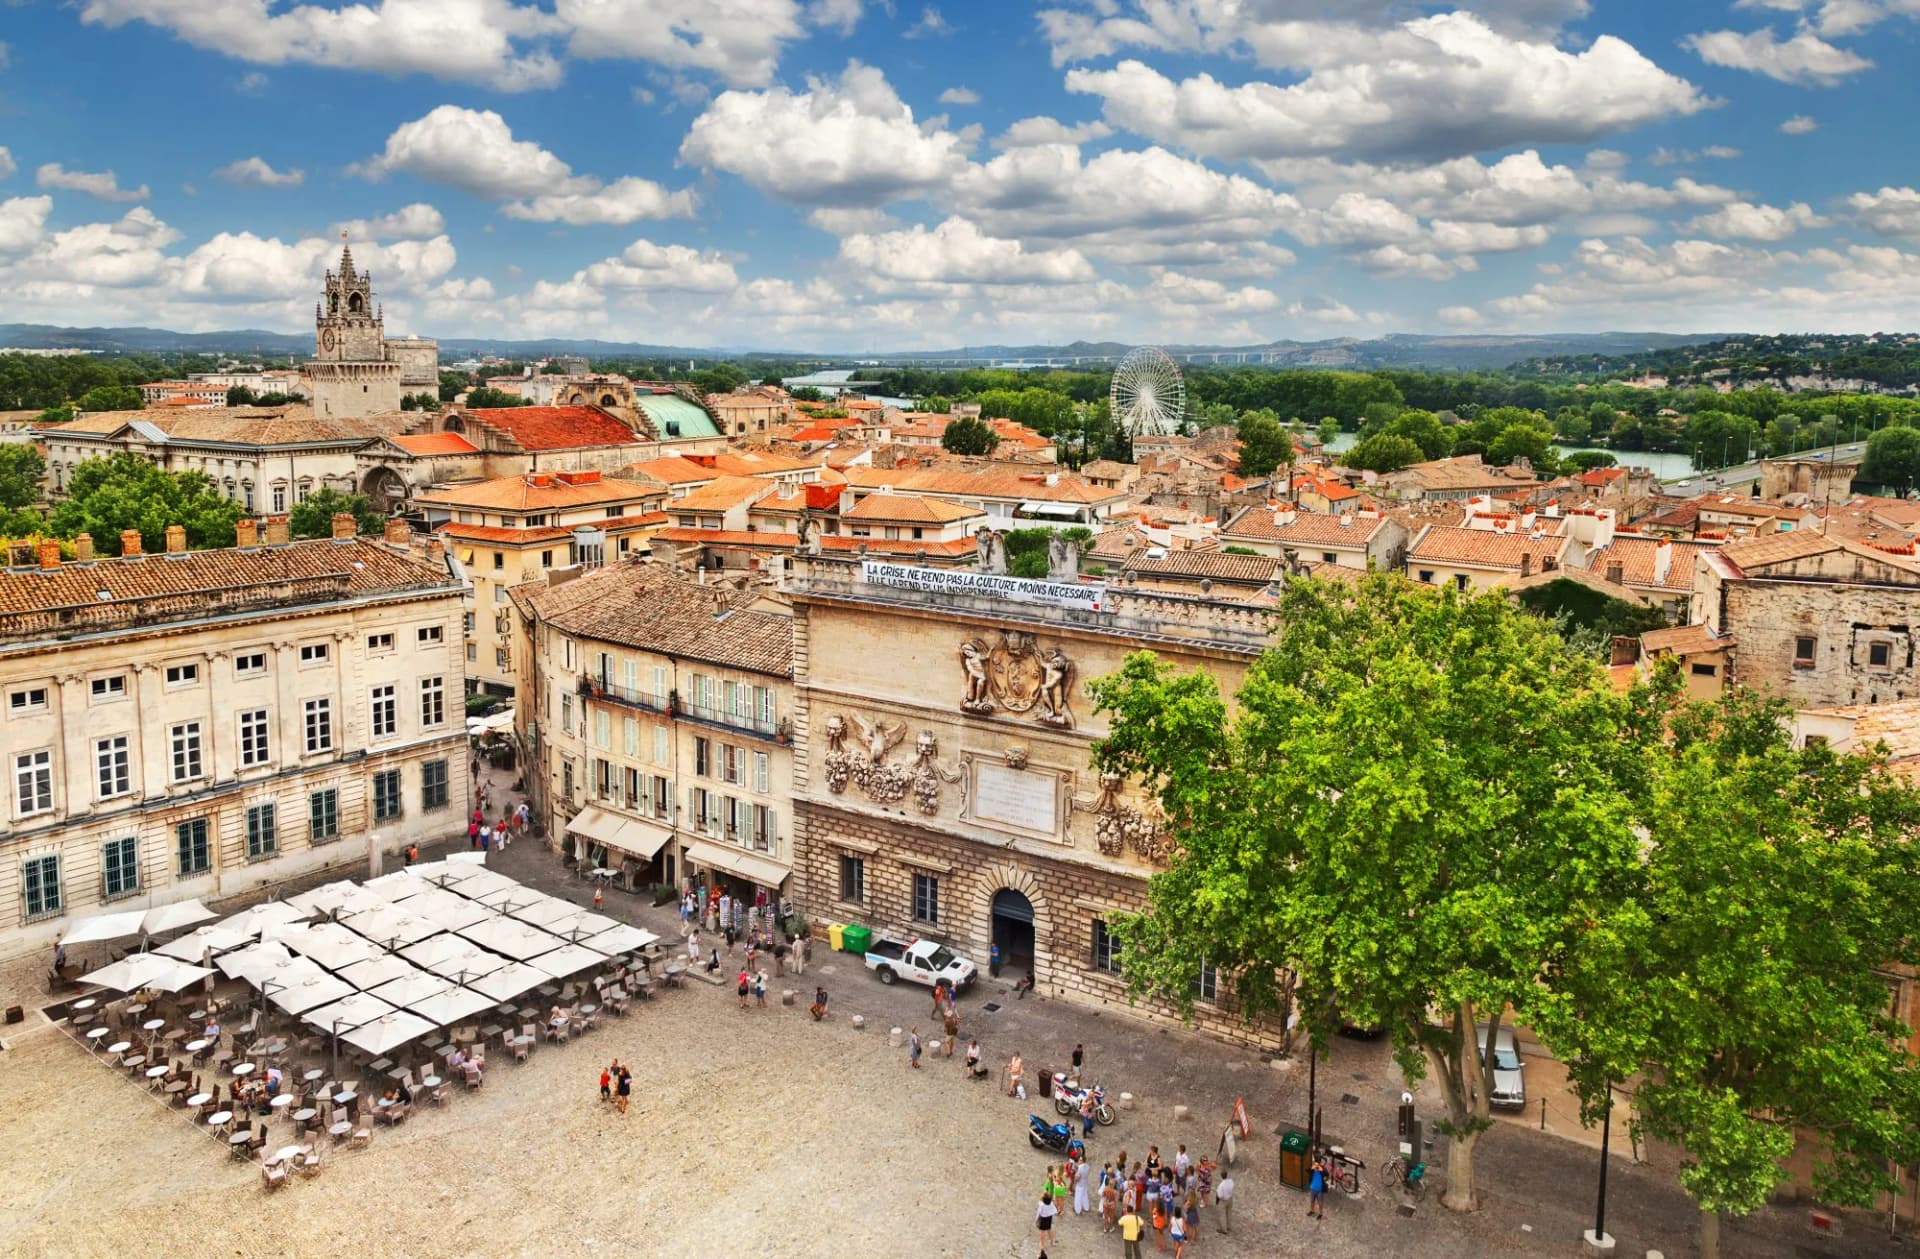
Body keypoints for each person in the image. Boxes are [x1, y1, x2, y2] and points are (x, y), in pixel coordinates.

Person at [1308, 1153, 1328, 1221]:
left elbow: (1326, 1174)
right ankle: (1312, 1211)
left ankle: (1320, 1214)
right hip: (1312, 1188)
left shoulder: (1322, 1168)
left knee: (1320, 1203)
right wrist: (1311, 1168)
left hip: (1319, 1190)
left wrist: (1321, 1169)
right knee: (1312, 1201)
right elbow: (1307, 1171)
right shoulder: (1313, 1167)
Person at [1101, 1164, 1119, 1230]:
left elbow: (1103, 1195)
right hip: (1111, 1205)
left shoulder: (1105, 1188)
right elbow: (1116, 1200)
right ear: (1113, 1185)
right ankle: (1111, 1227)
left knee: (1106, 1217)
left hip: (1105, 1204)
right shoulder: (1115, 1192)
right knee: (1111, 1217)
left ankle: (1105, 1228)